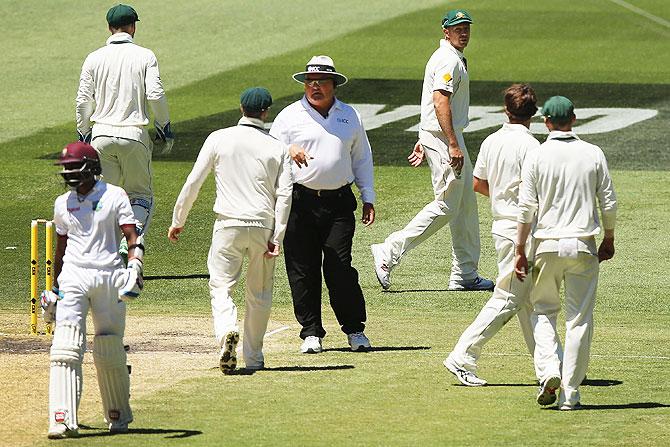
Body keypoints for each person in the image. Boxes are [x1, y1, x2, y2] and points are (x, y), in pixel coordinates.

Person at [168, 87, 292, 373]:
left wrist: (179, 219)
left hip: (228, 223)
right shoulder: (277, 147)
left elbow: (193, 182)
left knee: (221, 286)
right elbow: (285, 195)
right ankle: (255, 357)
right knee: (259, 293)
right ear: (266, 112)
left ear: (240, 108)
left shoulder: (218, 138)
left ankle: (226, 330)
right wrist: (278, 237)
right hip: (262, 226)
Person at [371, 9, 493, 291]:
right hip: (444, 137)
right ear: (445, 31)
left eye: (466, 27)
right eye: (457, 27)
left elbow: (431, 101)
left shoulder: (451, 56)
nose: (464, 32)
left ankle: (464, 273)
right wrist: (448, 142)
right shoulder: (448, 59)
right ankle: (389, 251)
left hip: (442, 134)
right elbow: (440, 101)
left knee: (464, 206)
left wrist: (426, 134)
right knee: (448, 204)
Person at [515, 96, 617, 410]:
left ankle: (548, 371)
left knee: (543, 312)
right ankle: (571, 394)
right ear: (573, 119)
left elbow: (525, 209)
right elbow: (609, 203)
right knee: (579, 321)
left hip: (546, 245)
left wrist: (520, 249)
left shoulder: (537, 155)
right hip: (584, 245)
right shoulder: (593, 153)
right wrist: (609, 237)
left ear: (546, 121)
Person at [270, 55, 376, 354]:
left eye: (321, 82)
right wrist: (286, 148)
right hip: (299, 201)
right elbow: (267, 151)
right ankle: (311, 332)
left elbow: (362, 157)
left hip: (339, 203)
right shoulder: (289, 116)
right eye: (310, 82)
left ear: (333, 85)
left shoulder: (349, 115)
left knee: (339, 267)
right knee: (302, 269)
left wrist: (368, 195)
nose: (314, 87)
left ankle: (355, 330)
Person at [41, 142, 144, 438]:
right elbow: (61, 249)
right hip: (74, 276)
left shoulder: (114, 195)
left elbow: (132, 235)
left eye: (75, 167)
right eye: (67, 169)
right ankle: (62, 420)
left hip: (108, 275)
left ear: (92, 167)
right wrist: (54, 288)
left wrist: (135, 267)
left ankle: (118, 415)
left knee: (109, 345)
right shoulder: (63, 203)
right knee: (65, 347)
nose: (70, 174)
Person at [444, 84, 540, 386]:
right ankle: (462, 356)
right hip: (521, 232)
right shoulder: (533, 146)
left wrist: (501, 197)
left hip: (502, 226)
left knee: (529, 302)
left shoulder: (491, 140)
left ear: (505, 110)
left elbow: (478, 183)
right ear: (533, 114)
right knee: (509, 297)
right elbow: (531, 195)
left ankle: (550, 365)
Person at [76, 3, 173, 243]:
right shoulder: (145, 55)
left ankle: (101, 252)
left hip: (100, 136)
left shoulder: (93, 58)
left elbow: (83, 101)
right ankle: (129, 243)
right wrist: (164, 127)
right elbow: (155, 95)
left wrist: (84, 133)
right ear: (133, 27)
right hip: (133, 135)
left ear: (110, 28)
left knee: (102, 198)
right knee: (140, 195)